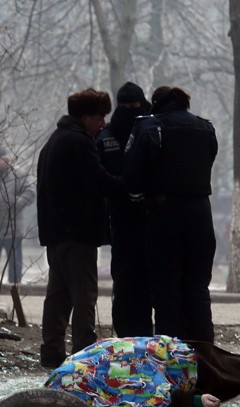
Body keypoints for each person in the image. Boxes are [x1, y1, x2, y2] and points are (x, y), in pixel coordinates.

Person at [124, 86, 218, 343]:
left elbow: (132, 175)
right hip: (200, 214)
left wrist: (138, 200)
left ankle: (168, 356)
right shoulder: (205, 127)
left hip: (164, 214)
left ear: (156, 103)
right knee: (198, 288)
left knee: (166, 291)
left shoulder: (149, 127)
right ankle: (204, 353)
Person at [37, 88, 122, 368]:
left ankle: (51, 351)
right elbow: (98, 180)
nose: (103, 124)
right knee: (84, 295)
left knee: (58, 296)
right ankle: (85, 354)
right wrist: (128, 186)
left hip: (57, 234)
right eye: (99, 117)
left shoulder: (55, 141)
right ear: (85, 117)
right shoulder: (78, 142)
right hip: (78, 234)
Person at [45, 336, 240, 407]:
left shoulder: (77, 387)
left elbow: (138, 394)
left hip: (181, 370)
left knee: (234, 376)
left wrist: (193, 401)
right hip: (172, 349)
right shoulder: (71, 367)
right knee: (229, 364)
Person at [96, 82, 153, 337]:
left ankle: (138, 332)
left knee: (143, 281)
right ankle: (128, 333)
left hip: (147, 218)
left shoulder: (151, 129)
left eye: (134, 106)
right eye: (126, 106)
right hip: (125, 218)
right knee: (127, 282)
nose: (131, 111)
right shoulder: (107, 136)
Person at [0, 148, 35, 284]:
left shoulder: (18, 175)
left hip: (12, 230)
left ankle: (14, 288)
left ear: (5, 159)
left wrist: (17, 202)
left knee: (15, 262)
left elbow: (30, 192)